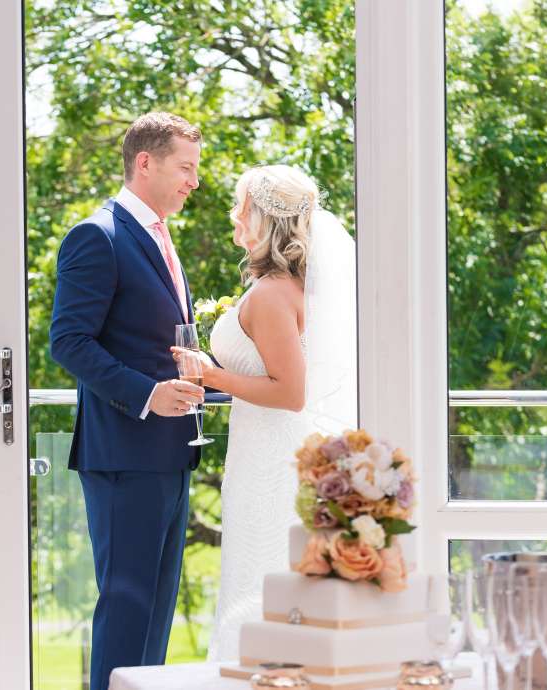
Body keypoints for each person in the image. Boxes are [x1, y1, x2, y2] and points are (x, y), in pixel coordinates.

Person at [174, 165, 358, 661]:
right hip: (262, 452)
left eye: (242, 207)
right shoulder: (282, 287)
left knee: (261, 577)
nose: (234, 216)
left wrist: (209, 375)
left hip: (272, 464)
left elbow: (290, 392)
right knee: (258, 575)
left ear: (263, 220)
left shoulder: (274, 293)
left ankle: (263, 668)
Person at [49, 112, 206, 690]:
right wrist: (147, 395)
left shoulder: (160, 236)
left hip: (171, 453)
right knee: (126, 613)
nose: (195, 181)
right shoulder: (99, 235)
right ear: (146, 163)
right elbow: (67, 341)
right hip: (123, 457)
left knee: (155, 621)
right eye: (186, 168)